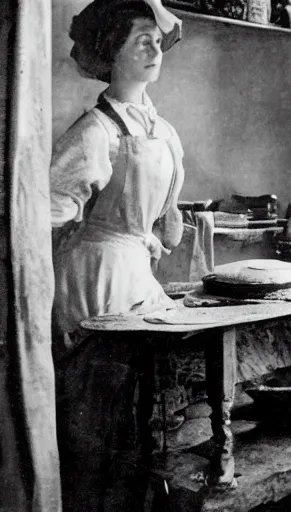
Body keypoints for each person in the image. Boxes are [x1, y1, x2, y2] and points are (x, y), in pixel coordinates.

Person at [50, 1, 184, 509]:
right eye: (139, 41)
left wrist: (154, 234)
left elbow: (166, 224)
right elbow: (46, 212)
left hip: (136, 275)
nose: (154, 49)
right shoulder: (95, 131)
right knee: (96, 422)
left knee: (140, 423)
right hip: (94, 279)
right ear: (112, 53)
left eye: (156, 39)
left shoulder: (163, 131)